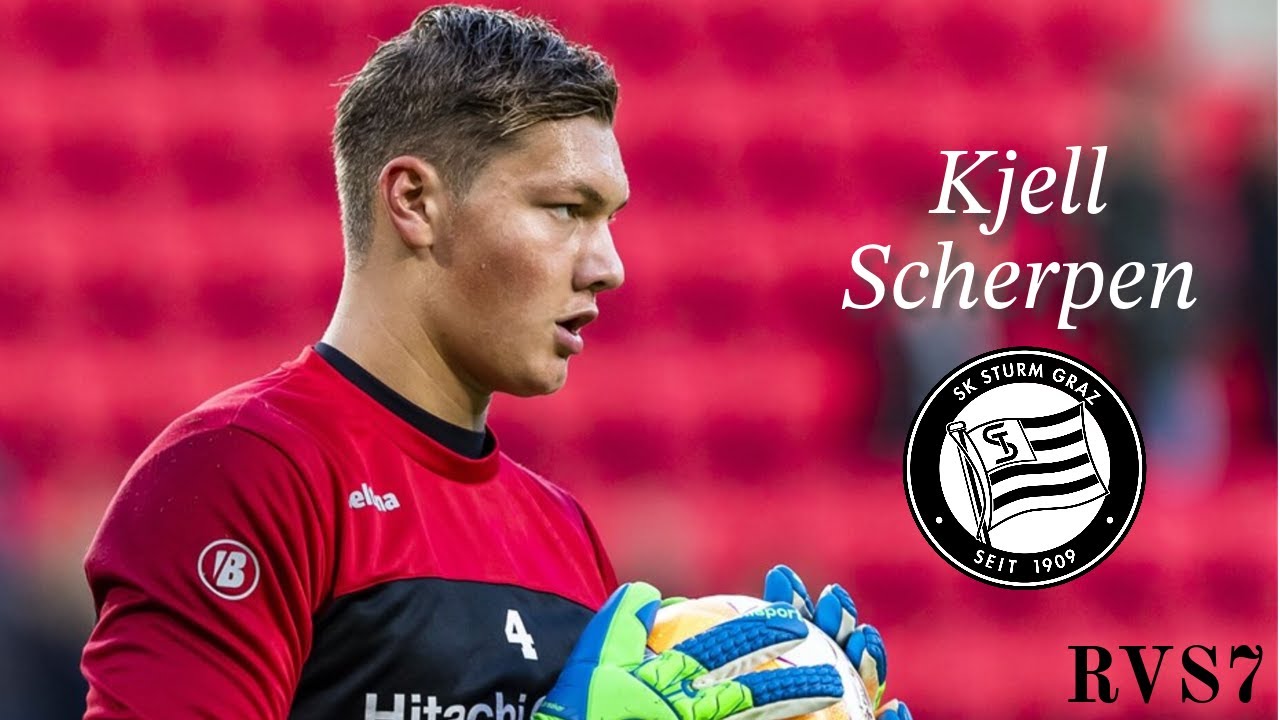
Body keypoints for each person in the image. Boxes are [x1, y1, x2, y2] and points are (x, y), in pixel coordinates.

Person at [79, 6, 911, 720]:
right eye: (566, 209)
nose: (609, 266)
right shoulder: (241, 472)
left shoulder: (560, 531)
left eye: (611, 219)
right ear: (415, 201)